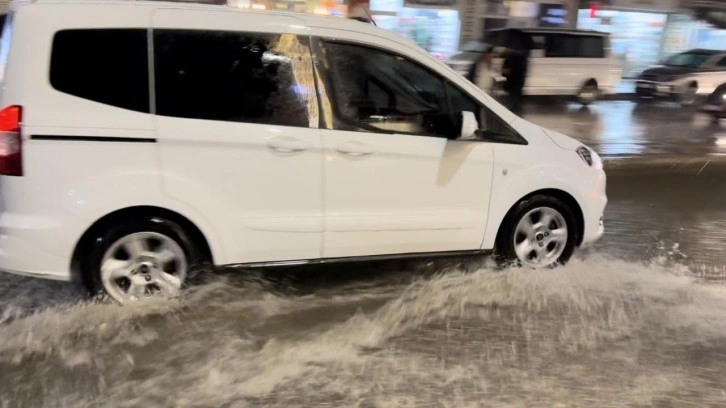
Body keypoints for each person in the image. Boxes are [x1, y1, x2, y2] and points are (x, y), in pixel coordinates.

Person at [501, 48, 529, 115]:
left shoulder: (509, 55)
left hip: (511, 81)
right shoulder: (524, 55)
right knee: (517, 101)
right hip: (520, 80)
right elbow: (525, 69)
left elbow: (505, 71)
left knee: (511, 101)